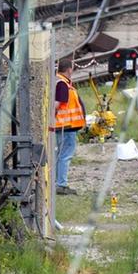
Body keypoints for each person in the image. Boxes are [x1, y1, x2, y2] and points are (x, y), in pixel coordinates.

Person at [52, 57, 84, 195]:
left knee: (60, 154)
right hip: (66, 126)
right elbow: (56, 105)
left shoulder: (58, 81)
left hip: (64, 126)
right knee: (65, 155)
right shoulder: (62, 84)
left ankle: (57, 183)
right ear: (69, 70)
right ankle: (61, 184)